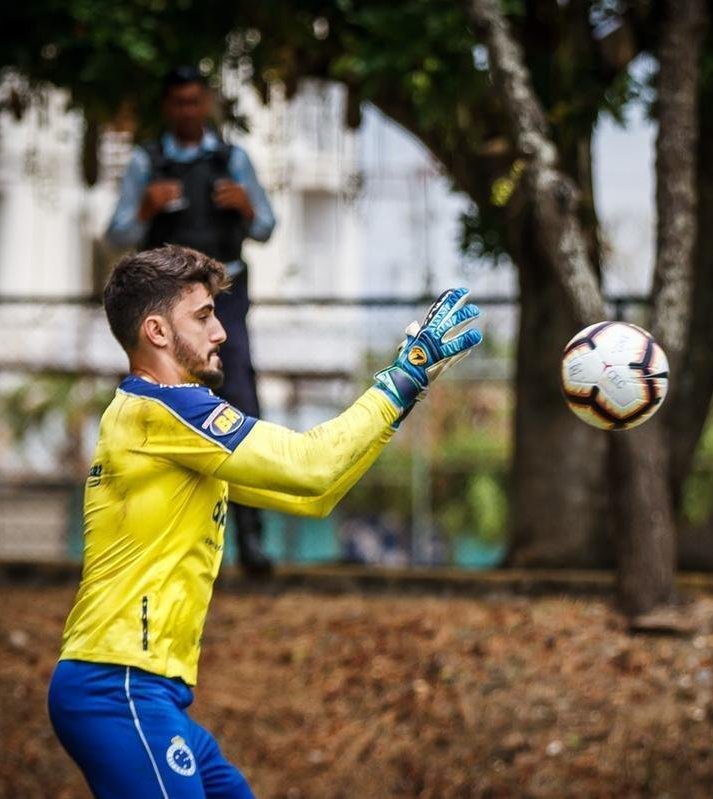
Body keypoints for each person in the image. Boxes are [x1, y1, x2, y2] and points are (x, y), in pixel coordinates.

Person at [48, 245, 481, 798]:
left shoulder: (159, 422)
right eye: (203, 316)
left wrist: (403, 393)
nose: (220, 332)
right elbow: (310, 464)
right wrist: (403, 376)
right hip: (119, 685)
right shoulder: (168, 409)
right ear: (156, 331)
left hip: (144, 689)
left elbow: (312, 495)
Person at [105, 65, 277, 575]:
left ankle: (251, 540)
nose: (187, 110)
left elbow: (267, 226)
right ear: (168, 107)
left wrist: (247, 207)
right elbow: (116, 234)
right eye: (179, 102)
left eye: (195, 101)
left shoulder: (232, 159)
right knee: (155, 407)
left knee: (239, 404)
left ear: (206, 104)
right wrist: (144, 208)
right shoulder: (147, 162)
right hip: (162, 307)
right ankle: (147, 535)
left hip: (226, 301)